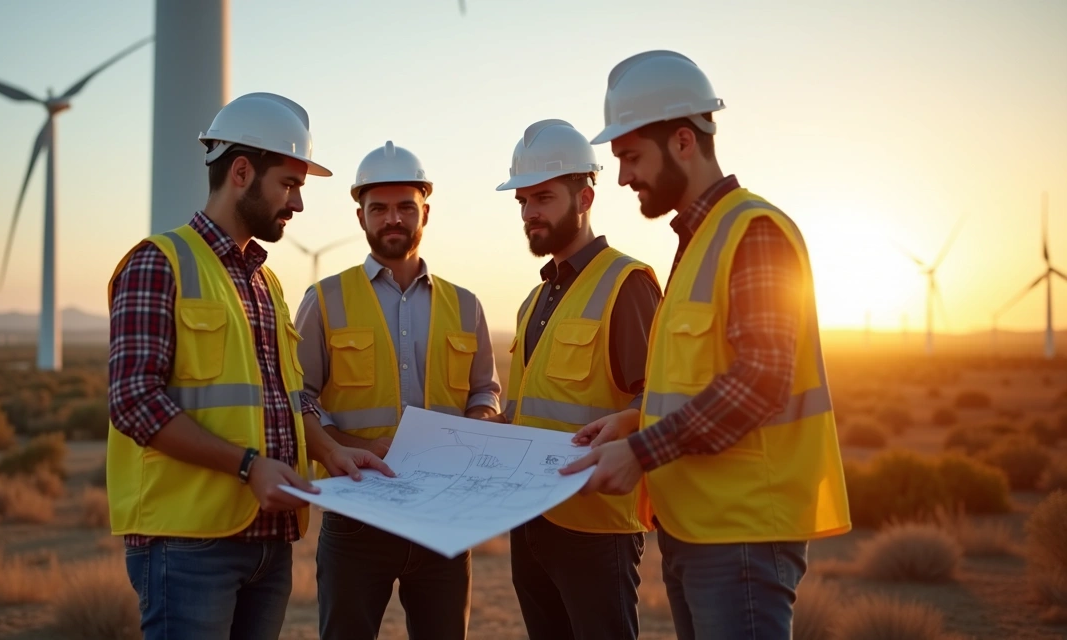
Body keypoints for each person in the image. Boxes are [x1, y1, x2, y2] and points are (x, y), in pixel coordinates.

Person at [560, 50, 852, 640]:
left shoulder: (753, 233)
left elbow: (762, 379)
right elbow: (696, 380)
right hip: (698, 529)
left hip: (741, 533)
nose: (622, 177)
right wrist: (630, 420)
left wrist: (641, 453)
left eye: (631, 157)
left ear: (685, 141)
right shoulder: (697, 241)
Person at [105, 92, 392, 640]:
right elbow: (133, 402)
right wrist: (247, 467)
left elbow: (288, 397)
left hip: (270, 543)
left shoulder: (267, 283)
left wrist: (330, 450)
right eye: (289, 184)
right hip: (188, 543)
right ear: (241, 172)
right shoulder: (158, 263)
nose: (298, 205)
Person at [294, 140, 502, 640]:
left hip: (444, 518)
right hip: (357, 517)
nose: (393, 218)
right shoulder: (324, 299)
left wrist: (473, 432)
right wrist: (353, 447)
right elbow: (298, 397)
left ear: (424, 211)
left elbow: (485, 394)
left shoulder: (466, 304)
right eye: (379, 208)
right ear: (360, 215)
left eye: (405, 206)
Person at [490, 119, 662, 640]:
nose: (530, 213)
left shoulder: (626, 284)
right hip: (532, 523)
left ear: (585, 196)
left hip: (596, 529)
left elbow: (658, 399)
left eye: (542, 197)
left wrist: (631, 422)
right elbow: (530, 410)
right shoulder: (533, 301)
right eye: (522, 201)